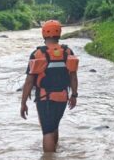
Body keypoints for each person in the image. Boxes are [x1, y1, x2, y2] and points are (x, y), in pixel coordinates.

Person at [20, 20, 79, 152]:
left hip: (44, 98)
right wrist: (74, 95)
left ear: (43, 34)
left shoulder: (37, 54)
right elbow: (73, 76)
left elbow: (29, 81)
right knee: (54, 126)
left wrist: (23, 103)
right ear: (59, 33)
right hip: (63, 97)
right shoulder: (67, 52)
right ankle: (55, 156)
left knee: (47, 131)